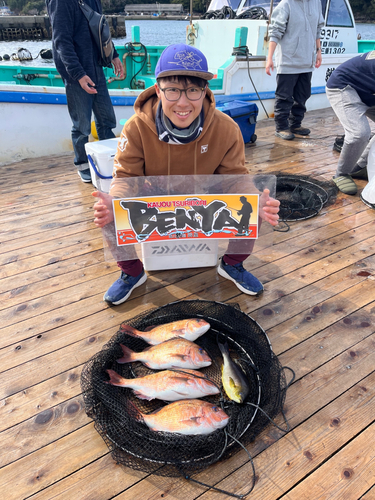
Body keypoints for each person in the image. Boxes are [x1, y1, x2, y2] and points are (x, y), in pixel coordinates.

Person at [92, 43, 280, 306]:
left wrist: (255, 198)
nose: (183, 102)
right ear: (158, 90)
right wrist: (115, 201)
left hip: (203, 198)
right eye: (172, 90)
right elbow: (126, 177)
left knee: (253, 204)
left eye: (193, 90)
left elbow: (236, 177)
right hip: (155, 198)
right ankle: (132, 272)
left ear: (205, 90)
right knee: (109, 209)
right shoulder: (136, 128)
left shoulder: (226, 128)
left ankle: (232, 264)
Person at [46, 0, 124, 183]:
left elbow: (99, 29)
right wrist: (78, 75)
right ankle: (82, 164)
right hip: (77, 75)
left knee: (106, 120)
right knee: (81, 125)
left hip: (96, 68)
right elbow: (61, 42)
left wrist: (113, 54)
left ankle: (111, 160)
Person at [265, 0, 324, 140]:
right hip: (288, 61)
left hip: (307, 60)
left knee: (303, 95)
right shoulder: (286, 4)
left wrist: (318, 51)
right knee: (284, 97)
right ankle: (281, 127)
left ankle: (295, 124)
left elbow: (318, 29)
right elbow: (275, 32)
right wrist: (269, 58)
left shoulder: (316, 3)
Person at [326, 52, 374, 195]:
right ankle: (341, 174)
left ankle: (358, 166)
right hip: (344, 87)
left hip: (369, 91)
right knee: (359, 133)